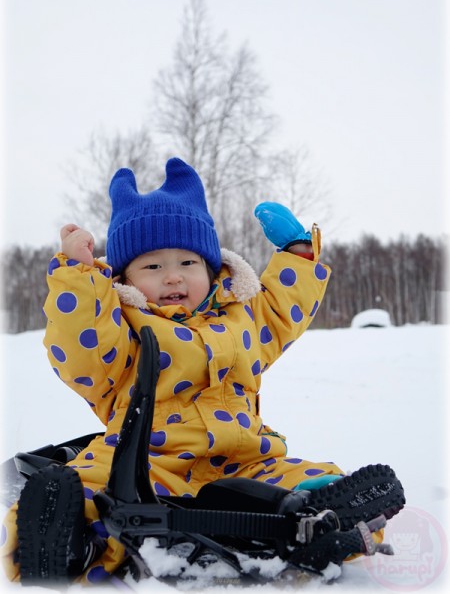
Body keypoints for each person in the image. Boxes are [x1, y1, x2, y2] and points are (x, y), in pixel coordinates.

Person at [1, 158, 401, 585]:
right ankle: (69, 542)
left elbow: (282, 309)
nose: (172, 276)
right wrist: (78, 279)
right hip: (146, 464)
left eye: (187, 263)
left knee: (311, 480)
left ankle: (320, 518)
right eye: (152, 266)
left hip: (245, 463)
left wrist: (299, 257)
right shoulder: (121, 327)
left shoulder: (240, 317)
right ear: (126, 279)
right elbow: (82, 350)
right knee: (86, 490)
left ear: (212, 270)